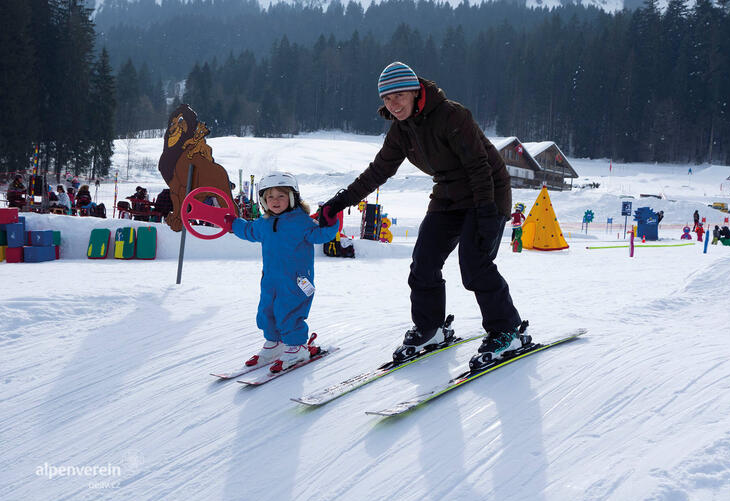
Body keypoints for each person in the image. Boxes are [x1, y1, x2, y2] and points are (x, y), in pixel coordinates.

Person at [318, 61, 525, 371]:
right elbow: (378, 172)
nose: (394, 104)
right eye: (387, 99)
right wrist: (339, 202)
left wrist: (485, 212)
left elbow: (479, 167)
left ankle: (507, 331)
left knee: (475, 265)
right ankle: (431, 329)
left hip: (487, 191)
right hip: (448, 194)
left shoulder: (452, 116)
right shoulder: (402, 130)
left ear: (416, 92)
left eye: (399, 95)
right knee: (424, 262)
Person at [224, 172, 340, 372]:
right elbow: (249, 230)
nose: (275, 201)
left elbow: (322, 235)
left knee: (290, 311)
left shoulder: (301, 222)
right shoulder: (264, 223)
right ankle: (274, 343)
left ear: (292, 198)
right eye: (270, 196)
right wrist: (233, 224)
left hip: (296, 281)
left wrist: (331, 222)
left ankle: (297, 347)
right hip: (270, 278)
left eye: (281, 196)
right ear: (263, 200)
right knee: (266, 310)